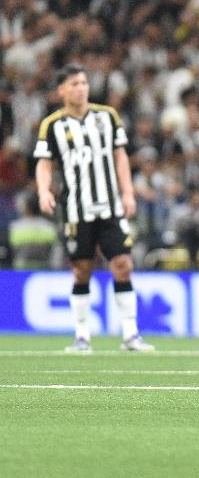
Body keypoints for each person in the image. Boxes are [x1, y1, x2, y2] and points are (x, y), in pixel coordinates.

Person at [33, 64, 154, 352]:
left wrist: (128, 192)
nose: (81, 88)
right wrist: (43, 190)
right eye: (74, 83)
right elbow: (44, 163)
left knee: (123, 264)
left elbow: (120, 155)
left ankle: (130, 334)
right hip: (77, 208)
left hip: (110, 206)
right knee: (82, 269)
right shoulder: (53, 125)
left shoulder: (106, 116)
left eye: (84, 82)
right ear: (61, 90)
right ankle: (82, 335)